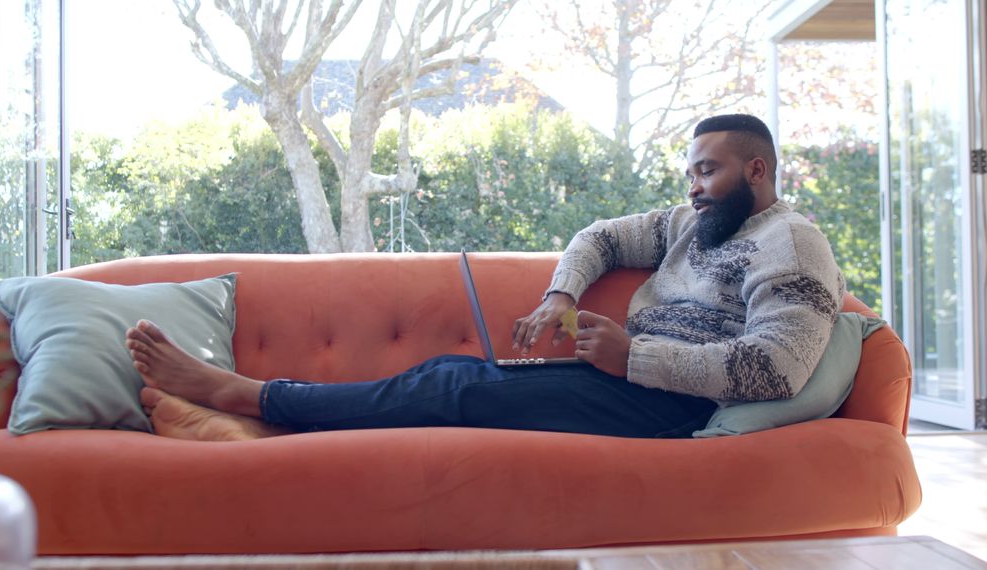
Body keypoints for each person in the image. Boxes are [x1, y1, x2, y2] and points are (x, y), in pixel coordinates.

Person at [126, 113, 846, 442]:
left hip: (672, 407)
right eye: (688, 171)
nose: (691, 187)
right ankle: (268, 416)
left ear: (757, 170)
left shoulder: (792, 245)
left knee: (450, 385)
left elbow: (776, 370)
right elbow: (599, 237)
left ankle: (249, 398)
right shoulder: (693, 222)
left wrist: (635, 357)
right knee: (449, 373)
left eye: (707, 171)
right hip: (629, 385)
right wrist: (562, 291)